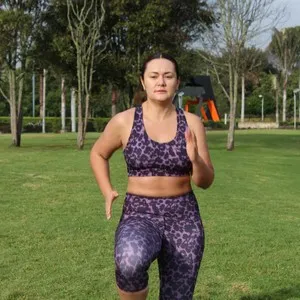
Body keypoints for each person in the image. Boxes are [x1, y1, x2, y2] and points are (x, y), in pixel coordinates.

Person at [90, 53, 214, 300]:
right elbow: (98, 153)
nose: (161, 82)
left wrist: (195, 158)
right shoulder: (124, 121)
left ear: (177, 82)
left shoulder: (192, 122)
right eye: (154, 76)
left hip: (183, 216)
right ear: (143, 81)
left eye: (168, 76)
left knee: (177, 296)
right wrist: (107, 190)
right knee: (129, 262)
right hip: (139, 212)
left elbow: (205, 181)